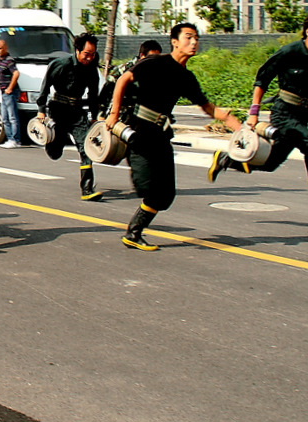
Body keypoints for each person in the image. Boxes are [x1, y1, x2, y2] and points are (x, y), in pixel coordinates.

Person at [208, 9, 308, 227]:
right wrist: (253, 112)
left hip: (303, 114)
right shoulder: (290, 52)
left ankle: (225, 160)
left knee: (270, 163)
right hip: (284, 113)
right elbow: (262, 79)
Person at [106, 23, 241, 251]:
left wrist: (238, 127)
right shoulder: (154, 62)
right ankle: (134, 231)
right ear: (174, 41)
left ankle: (134, 232)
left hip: (161, 135)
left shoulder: (186, 78)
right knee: (147, 188)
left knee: (166, 195)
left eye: (196, 38)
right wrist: (113, 114)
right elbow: (122, 80)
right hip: (139, 132)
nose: (194, 42)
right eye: (188, 37)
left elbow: (209, 109)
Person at [36, 32, 103, 201]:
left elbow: (94, 95)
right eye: (86, 54)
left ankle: (87, 189)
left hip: (77, 112)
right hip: (58, 110)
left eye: (92, 54)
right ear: (77, 51)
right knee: (55, 151)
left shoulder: (92, 69)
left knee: (87, 147)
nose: (89, 58)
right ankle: (53, 143)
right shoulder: (60, 64)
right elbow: (45, 87)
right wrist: (41, 109)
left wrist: (95, 117)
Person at [100, 39, 163, 122]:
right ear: (142, 56)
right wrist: (102, 115)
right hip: (120, 118)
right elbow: (106, 93)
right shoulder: (124, 70)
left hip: (142, 119)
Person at [0, 39, 22, 149]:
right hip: (3, 93)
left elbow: (16, 73)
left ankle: (15, 140)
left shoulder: (9, 60)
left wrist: (10, 88)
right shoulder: (1, 60)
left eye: (0, 48)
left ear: (6, 48)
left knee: (12, 117)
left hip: (10, 92)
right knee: (4, 118)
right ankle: (10, 139)